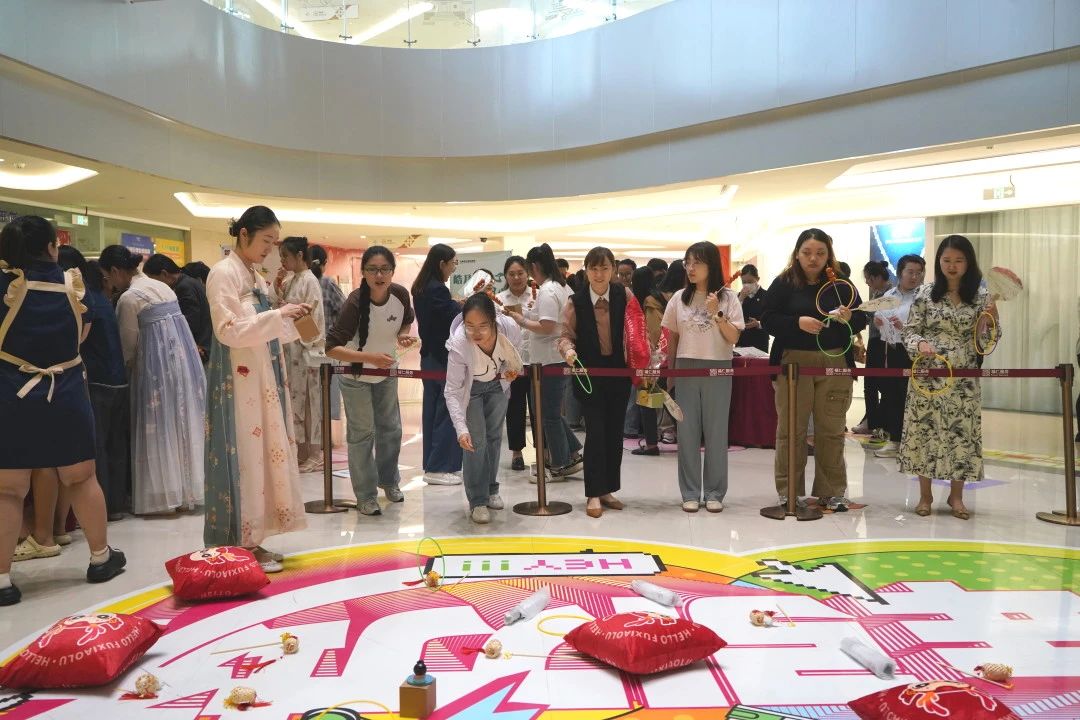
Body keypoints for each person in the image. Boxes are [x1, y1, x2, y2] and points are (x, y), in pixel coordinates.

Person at [0, 215, 126, 606]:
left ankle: (2, 580)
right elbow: (82, 334)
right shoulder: (74, 284)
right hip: (67, 392)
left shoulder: (5, 285)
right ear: (52, 246)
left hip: (12, 393)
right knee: (81, 477)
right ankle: (100, 557)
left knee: (8, 489)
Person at [204, 206, 310, 571]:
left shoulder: (253, 275)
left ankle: (253, 539)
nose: (270, 249)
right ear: (244, 234)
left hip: (260, 375)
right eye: (266, 240)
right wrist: (278, 316)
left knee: (261, 456)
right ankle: (239, 542)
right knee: (245, 457)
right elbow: (227, 330)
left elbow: (265, 328)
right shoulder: (223, 273)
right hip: (239, 380)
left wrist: (291, 319)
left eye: (274, 242)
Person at [761, 228, 867, 511]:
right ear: (797, 254)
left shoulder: (840, 283)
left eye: (820, 253)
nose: (813, 259)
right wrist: (797, 323)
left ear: (829, 255)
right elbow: (767, 318)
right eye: (807, 252)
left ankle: (831, 492)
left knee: (831, 429)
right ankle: (789, 492)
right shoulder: (784, 282)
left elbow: (861, 318)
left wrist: (849, 318)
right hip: (793, 363)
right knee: (790, 430)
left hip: (835, 361)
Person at [101, 244, 205, 516]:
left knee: (156, 427)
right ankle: (185, 490)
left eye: (107, 276)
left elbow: (128, 345)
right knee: (180, 423)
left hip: (153, 369)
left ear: (115, 270)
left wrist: (127, 372)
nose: (109, 283)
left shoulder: (129, 298)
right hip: (181, 363)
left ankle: (162, 492)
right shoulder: (162, 287)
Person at [899, 235, 998, 520]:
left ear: (968, 263)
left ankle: (957, 497)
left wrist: (991, 320)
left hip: (963, 376)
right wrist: (920, 344)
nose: (952, 266)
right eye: (946, 260)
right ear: (938, 262)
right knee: (925, 432)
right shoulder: (925, 293)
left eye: (958, 260)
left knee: (961, 435)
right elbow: (910, 331)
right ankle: (925, 496)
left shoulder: (981, 297)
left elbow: (987, 342)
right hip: (928, 374)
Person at [559, 247, 649, 517]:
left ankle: (608, 489)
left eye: (605, 268)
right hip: (589, 376)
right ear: (586, 270)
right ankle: (593, 493)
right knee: (596, 433)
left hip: (619, 375)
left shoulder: (625, 295)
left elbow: (637, 330)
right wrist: (568, 351)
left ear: (613, 269)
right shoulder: (575, 301)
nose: (599, 274)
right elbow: (565, 336)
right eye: (594, 269)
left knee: (614, 434)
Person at [326, 246, 415, 516]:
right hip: (355, 376)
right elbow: (331, 348)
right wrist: (369, 358)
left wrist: (402, 335)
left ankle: (389, 481)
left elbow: (406, 321)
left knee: (391, 429)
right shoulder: (354, 303)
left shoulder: (400, 295)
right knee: (362, 434)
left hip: (386, 373)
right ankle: (365, 495)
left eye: (385, 269)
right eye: (372, 270)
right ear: (363, 273)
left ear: (392, 272)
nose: (379, 275)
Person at [663, 242, 744, 513]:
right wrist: (671, 372)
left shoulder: (728, 298)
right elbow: (672, 339)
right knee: (686, 432)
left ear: (712, 265)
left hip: (719, 367)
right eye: (687, 262)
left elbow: (733, 337)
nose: (691, 268)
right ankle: (689, 492)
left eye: (697, 262)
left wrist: (717, 314)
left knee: (716, 432)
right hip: (686, 367)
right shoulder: (679, 298)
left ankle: (714, 492)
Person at [59, 249, 129, 520]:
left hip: (98, 381)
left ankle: (103, 507)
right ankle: (116, 505)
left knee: (98, 447)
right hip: (118, 380)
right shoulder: (102, 300)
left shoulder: (84, 302)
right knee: (116, 445)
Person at [444, 294, 523, 523]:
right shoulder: (460, 343)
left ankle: (491, 489)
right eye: (469, 325)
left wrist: (510, 370)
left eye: (483, 326)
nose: (476, 332)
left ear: (494, 321)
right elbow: (452, 390)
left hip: (498, 386)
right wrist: (461, 429)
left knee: (494, 437)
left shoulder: (508, 327)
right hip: (472, 390)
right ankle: (477, 500)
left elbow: (516, 353)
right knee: (475, 441)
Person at [506, 243, 582, 478]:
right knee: (551, 411)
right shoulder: (561, 287)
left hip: (549, 360)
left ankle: (560, 462)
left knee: (548, 415)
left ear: (535, 267)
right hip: (555, 357)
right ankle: (572, 451)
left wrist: (521, 320)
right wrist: (526, 314)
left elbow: (547, 326)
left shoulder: (548, 290)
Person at [273, 237, 327, 472]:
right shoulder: (289, 279)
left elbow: (315, 319)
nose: (282, 261)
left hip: (305, 350)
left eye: (285, 256)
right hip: (290, 349)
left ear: (299, 256)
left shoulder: (309, 280)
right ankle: (301, 451)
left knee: (310, 403)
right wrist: (277, 288)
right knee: (295, 402)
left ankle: (315, 453)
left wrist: (301, 334)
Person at [411, 243, 463, 486]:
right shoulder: (437, 289)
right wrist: (462, 305)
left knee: (432, 410)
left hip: (429, 357)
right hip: (441, 357)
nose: (454, 268)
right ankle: (439, 467)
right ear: (442, 263)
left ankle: (433, 464)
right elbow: (450, 318)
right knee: (446, 410)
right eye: (453, 263)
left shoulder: (422, 287)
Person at [871, 254, 924, 458]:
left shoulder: (924, 297)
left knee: (912, 397)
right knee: (891, 395)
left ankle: (914, 443)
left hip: (915, 353)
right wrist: (878, 322)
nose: (914, 277)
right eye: (910, 272)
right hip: (892, 350)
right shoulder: (889, 295)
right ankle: (894, 441)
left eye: (918, 273)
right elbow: (878, 318)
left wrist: (905, 328)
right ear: (900, 272)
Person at [497, 255, 533, 472]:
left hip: (536, 360)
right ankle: (517, 452)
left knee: (538, 408)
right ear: (506, 276)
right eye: (512, 274)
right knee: (515, 407)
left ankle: (543, 451)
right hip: (511, 361)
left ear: (527, 274)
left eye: (520, 273)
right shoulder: (499, 299)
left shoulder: (537, 296)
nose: (517, 277)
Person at [144, 254, 213, 364]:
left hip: (199, 347)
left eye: (154, 281)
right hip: (203, 344)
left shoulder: (184, 287)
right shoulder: (189, 281)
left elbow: (191, 322)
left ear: (164, 274)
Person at [648, 260, 686, 445]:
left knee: (660, 394)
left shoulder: (659, 296)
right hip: (665, 352)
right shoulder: (675, 297)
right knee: (665, 394)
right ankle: (663, 430)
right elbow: (659, 331)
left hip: (660, 352)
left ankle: (657, 433)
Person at [854, 260, 894, 436]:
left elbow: (874, 314)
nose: (867, 283)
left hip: (885, 343)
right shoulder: (876, 294)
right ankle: (871, 420)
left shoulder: (891, 294)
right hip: (875, 342)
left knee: (883, 385)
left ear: (877, 277)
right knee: (870, 383)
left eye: (868, 279)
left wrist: (859, 310)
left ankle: (880, 422)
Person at [310, 245, 346, 427]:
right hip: (327, 348)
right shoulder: (327, 283)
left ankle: (314, 435)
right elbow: (345, 311)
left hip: (304, 347)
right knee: (328, 392)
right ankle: (325, 434)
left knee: (310, 394)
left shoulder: (297, 281)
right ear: (324, 263)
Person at [626, 266, 660, 454]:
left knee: (647, 402)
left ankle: (652, 444)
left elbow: (650, 332)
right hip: (661, 358)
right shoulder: (659, 299)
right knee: (656, 401)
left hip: (648, 359)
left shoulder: (646, 302)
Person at [736, 264, 769, 353]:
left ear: (757, 279)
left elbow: (772, 319)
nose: (746, 285)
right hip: (742, 341)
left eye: (750, 281)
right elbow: (732, 316)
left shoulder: (767, 295)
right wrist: (741, 298)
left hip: (760, 342)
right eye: (744, 282)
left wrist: (758, 323)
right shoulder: (738, 296)